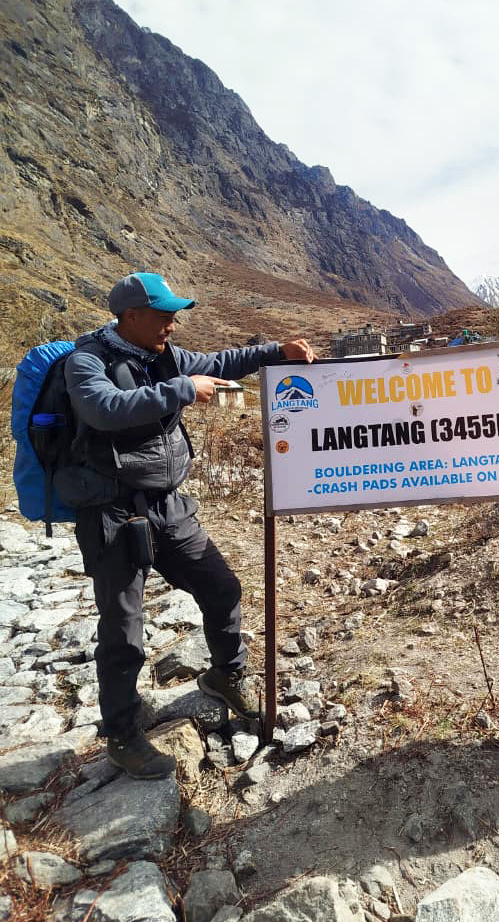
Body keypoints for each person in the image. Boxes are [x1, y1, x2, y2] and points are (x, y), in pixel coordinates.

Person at [64, 272, 315, 779]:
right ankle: (122, 734)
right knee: (123, 630)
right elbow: (104, 408)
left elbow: (222, 363)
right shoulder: (86, 360)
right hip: (112, 514)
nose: (173, 325)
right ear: (130, 317)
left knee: (221, 587)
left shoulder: (162, 355)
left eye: (174, 316)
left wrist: (278, 351)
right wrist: (180, 390)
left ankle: (226, 674)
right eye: (164, 316)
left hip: (168, 505)